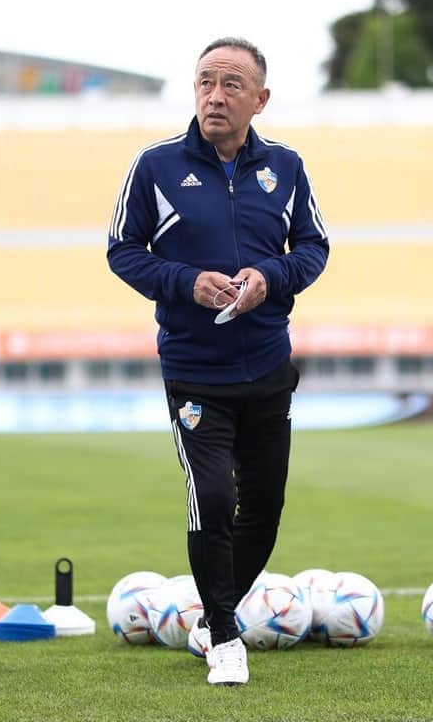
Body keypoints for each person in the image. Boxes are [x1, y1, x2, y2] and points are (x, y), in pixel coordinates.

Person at [107, 37, 329, 686]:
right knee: (211, 495)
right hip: (195, 370)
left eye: (232, 84)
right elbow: (123, 250)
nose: (215, 95)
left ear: (260, 99)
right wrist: (185, 282)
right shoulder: (155, 166)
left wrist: (269, 276)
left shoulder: (285, 167)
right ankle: (226, 638)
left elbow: (313, 247)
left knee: (263, 508)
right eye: (206, 81)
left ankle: (210, 617)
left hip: (268, 365)